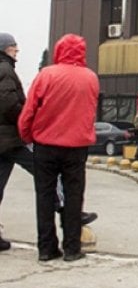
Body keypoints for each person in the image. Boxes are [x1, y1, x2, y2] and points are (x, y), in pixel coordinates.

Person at [18, 33, 99, 262]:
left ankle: (46, 248)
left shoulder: (47, 75)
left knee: (44, 195)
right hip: (77, 146)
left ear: (58, 51)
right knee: (74, 196)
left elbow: (29, 110)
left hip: (46, 144)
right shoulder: (90, 78)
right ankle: (72, 248)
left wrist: (27, 136)